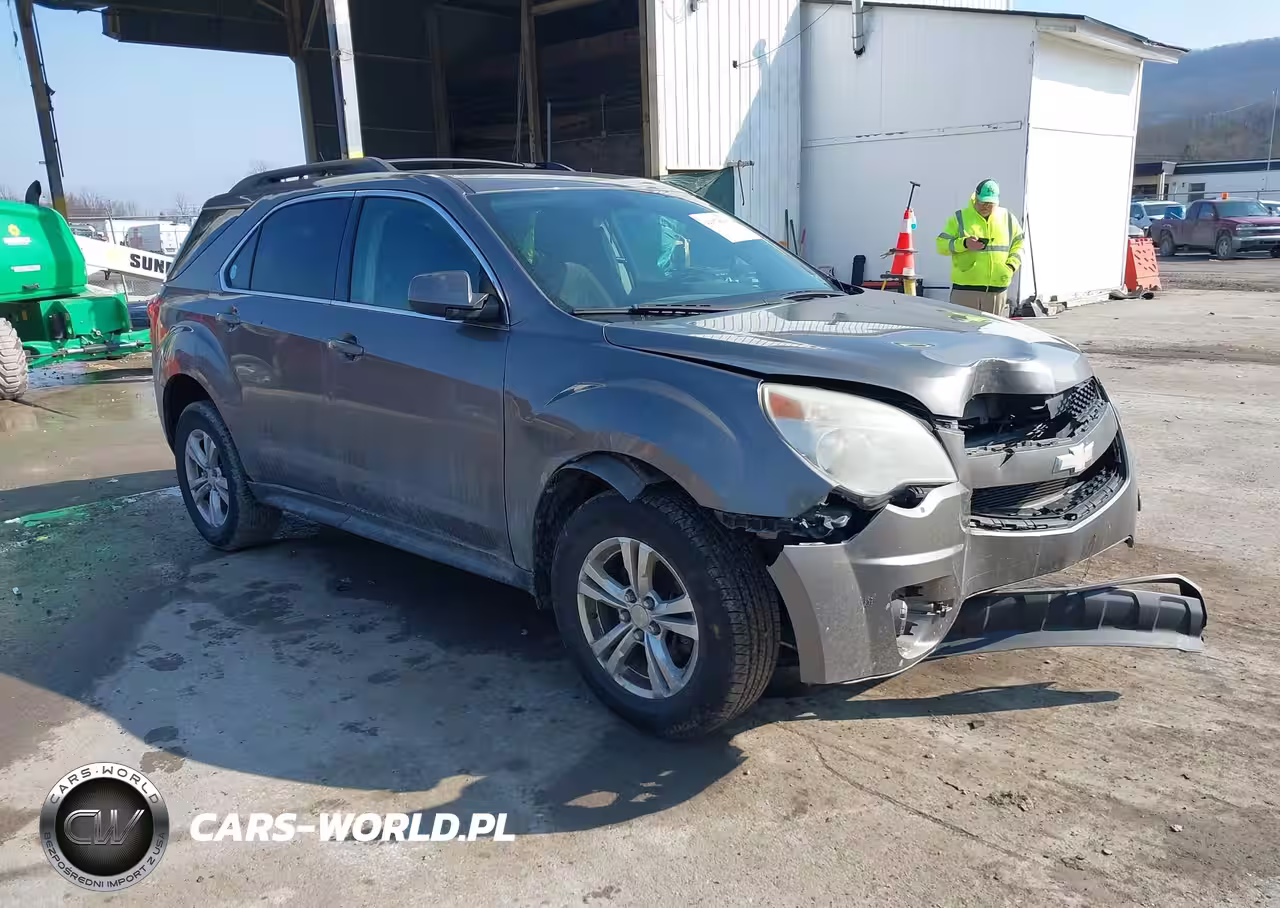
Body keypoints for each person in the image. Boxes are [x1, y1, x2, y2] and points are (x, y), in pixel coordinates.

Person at [936, 179, 1024, 315]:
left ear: (997, 201)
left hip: (996, 290)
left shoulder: (1008, 218)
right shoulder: (960, 217)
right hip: (965, 290)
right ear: (975, 197)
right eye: (982, 202)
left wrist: (1011, 266)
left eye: (990, 204)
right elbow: (941, 245)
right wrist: (964, 243)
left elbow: (1019, 245)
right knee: (962, 333)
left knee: (992, 333)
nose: (985, 207)